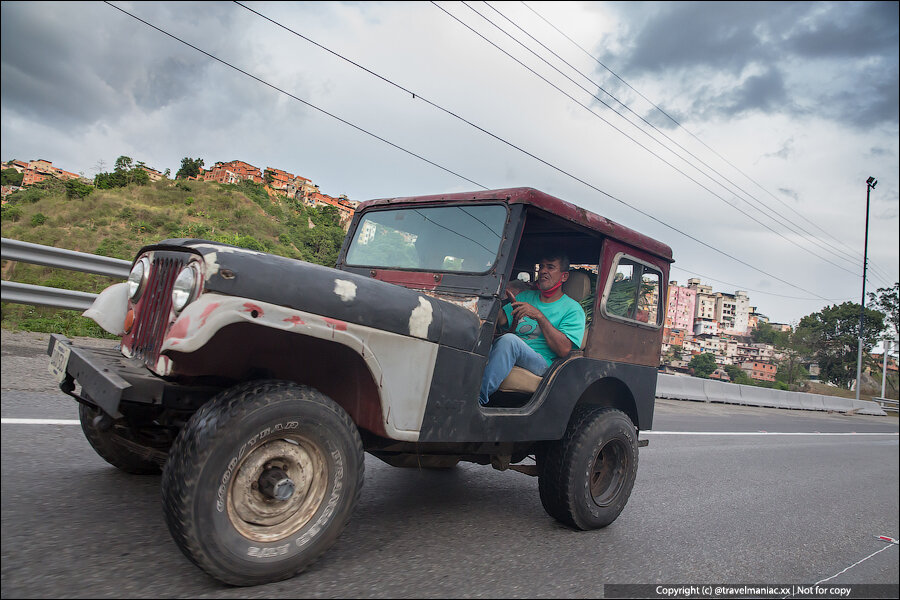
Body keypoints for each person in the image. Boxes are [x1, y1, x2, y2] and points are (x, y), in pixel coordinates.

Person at [479, 255, 586, 405]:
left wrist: (539, 316)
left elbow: (563, 349)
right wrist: (495, 300)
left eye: (550, 267)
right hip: (512, 351)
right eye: (541, 267)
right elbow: (503, 320)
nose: (543, 271)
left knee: (509, 341)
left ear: (564, 276)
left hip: (544, 363)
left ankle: (477, 400)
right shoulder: (526, 296)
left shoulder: (573, 309)